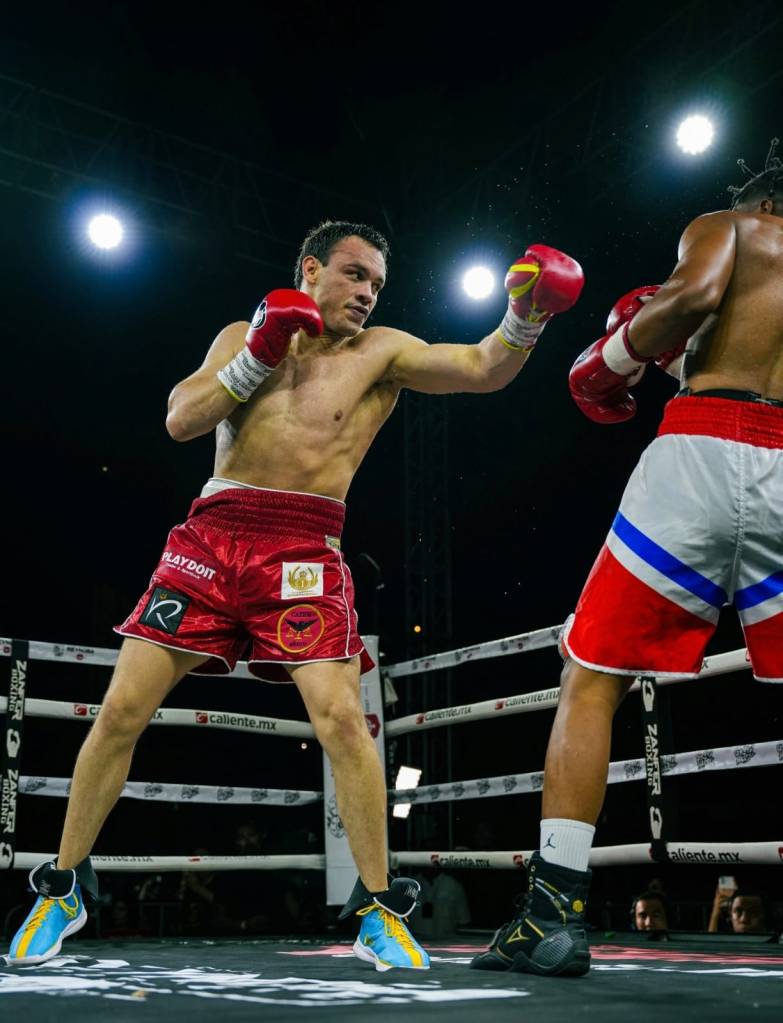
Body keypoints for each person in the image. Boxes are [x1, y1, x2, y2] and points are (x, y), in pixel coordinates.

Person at [8, 220, 584, 968]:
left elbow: (480, 366)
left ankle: (377, 908)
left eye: (376, 283)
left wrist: (526, 316)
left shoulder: (382, 352)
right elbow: (181, 419)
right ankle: (62, 889)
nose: (367, 293)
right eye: (354, 274)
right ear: (310, 269)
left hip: (305, 547)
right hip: (212, 534)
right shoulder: (240, 334)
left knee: (343, 718)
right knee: (120, 710)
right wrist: (258, 353)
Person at [472, 139, 783, 978]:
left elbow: (693, 295)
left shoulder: (734, 227)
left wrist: (606, 361)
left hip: (702, 448)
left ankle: (550, 917)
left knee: (591, 676)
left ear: (761, 203)